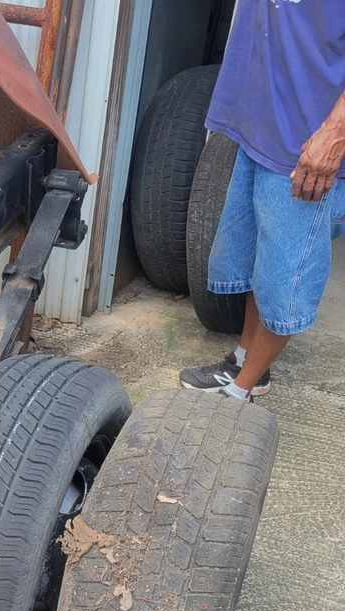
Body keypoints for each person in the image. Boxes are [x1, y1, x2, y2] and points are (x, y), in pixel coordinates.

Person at [179, 0, 345, 401]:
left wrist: (335, 133)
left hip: (306, 141)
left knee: (285, 279)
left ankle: (240, 393)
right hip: (261, 126)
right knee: (260, 262)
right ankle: (245, 361)